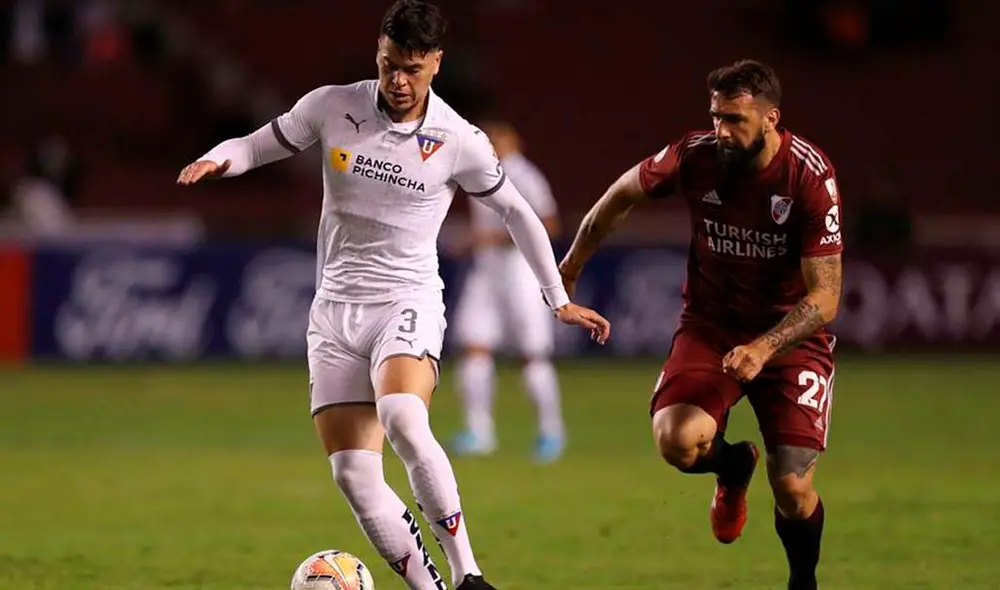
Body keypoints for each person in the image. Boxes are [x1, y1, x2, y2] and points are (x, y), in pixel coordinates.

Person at [176, 2, 610, 589]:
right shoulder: (332, 105)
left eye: (410, 67)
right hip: (333, 311)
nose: (397, 81)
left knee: (403, 415)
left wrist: (555, 296)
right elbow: (256, 145)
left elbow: (517, 212)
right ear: (377, 55)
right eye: (387, 66)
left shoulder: (459, 139)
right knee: (354, 475)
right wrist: (216, 159)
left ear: (435, 62)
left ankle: (468, 575)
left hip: (406, 300)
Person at [558, 59, 842, 590]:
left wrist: (763, 348)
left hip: (790, 338)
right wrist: (569, 268)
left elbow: (826, 295)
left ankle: (803, 582)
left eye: (735, 120)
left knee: (794, 491)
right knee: (676, 440)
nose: (722, 132)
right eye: (715, 117)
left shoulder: (809, 176)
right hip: (711, 325)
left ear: (770, 118)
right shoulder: (696, 155)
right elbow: (621, 194)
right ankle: (733, 469)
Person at [450, 120, 565, 463]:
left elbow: (550, 224)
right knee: (473, 348)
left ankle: (550, 432)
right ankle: (479, 432)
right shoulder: (479, 172)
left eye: (493, 139)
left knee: (532, 354)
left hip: (520, 272)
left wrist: (489, 239)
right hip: (487, 272)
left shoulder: (525, 174)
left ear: (512, 142)